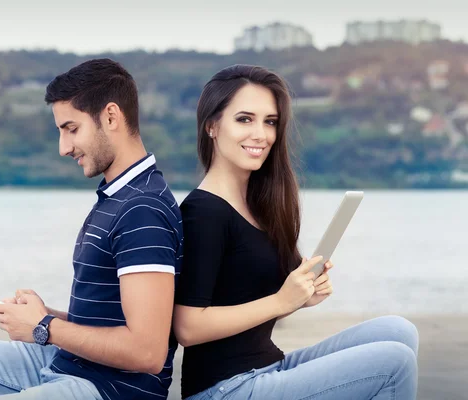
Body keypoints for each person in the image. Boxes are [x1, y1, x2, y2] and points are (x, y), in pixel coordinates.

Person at [0, 58, 183, 400]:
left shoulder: (143, 210)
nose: (63, 148)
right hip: (68, 363)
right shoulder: (118, 196)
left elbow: (146, 352)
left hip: (107, 389)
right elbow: (108, 320)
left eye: (71, 129)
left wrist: (44, 328)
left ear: (111, 117)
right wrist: (43, 317)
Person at [173, 64, 419, 400]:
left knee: (398, 330)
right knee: (395, 362)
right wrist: (280, 301)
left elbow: (247, 300)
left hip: (268, 367)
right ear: (213, 126)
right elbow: (188, 327)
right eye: (244, 119)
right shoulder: (204, 212)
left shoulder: (257, 206)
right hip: (225, 387)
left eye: (270, 121)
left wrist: (301, 297)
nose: (260, 134)